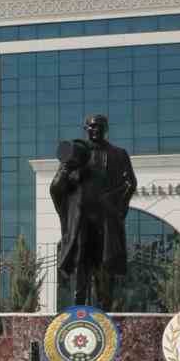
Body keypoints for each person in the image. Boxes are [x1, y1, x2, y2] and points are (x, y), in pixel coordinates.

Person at [49, 113, 136, 308]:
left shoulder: (118, 154)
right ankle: (78, 310)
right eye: (91, 126)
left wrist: (119, 209)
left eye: (99, 126)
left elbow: (131, 183)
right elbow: (56, 187)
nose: (95, 129)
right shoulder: (76, 152)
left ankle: (105, 310)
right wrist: (67, 170)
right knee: (80, 261)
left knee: (105, 264)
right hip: (82, 219)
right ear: (86, 129)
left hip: (105, 219)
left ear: (106, 129)